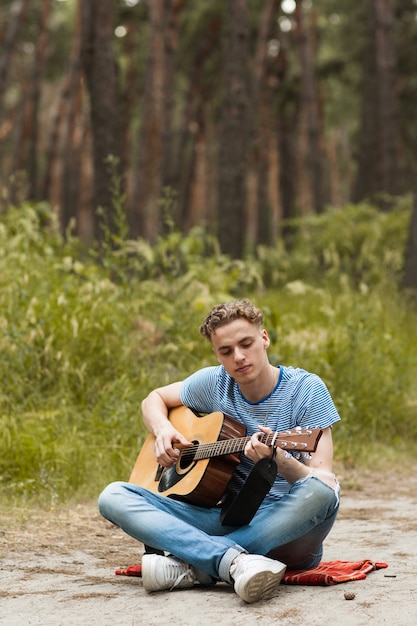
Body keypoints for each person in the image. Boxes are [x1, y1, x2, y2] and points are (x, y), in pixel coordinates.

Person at [98, 299, 341, 603]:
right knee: (113, 496)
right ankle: (233, 563)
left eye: (246, 344)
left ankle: (196, 562)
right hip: (228, 519)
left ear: (264, 339)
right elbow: (154, 399)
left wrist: (279, 460)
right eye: (226, 351)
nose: (238, 357)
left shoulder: (306, 390)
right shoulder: (214, 383)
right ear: (217, 354)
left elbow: (321, 477)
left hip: (290, 530)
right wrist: (162, 430)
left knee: (323, 492)